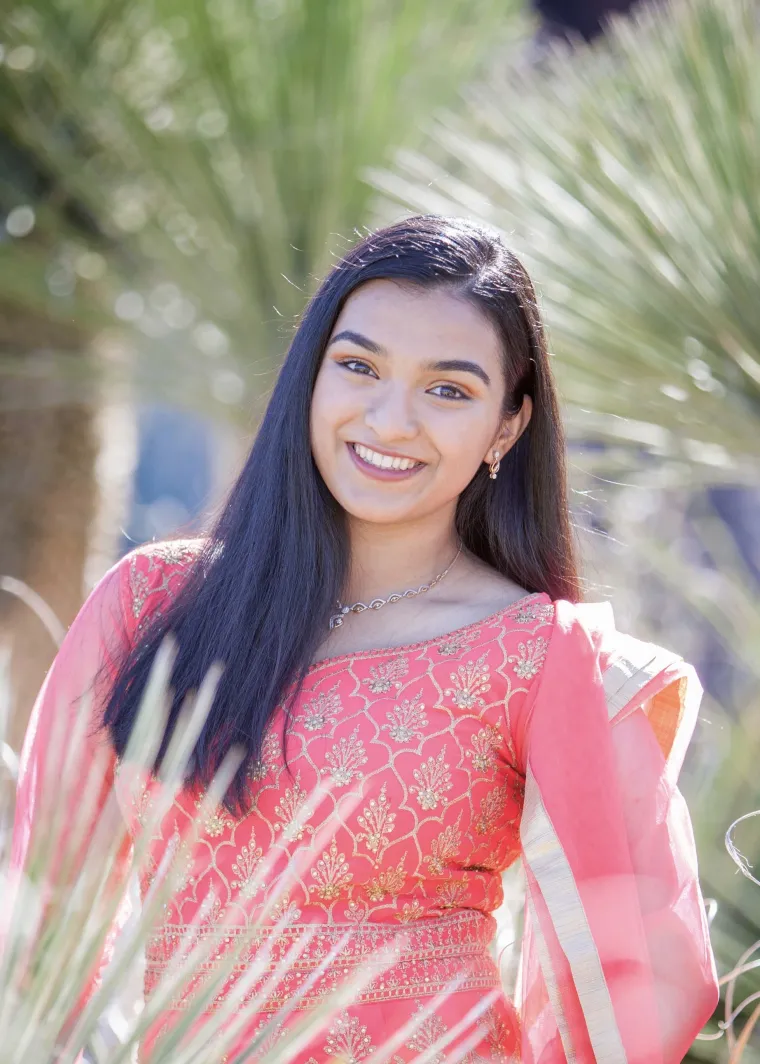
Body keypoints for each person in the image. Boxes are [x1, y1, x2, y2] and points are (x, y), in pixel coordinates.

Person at [10, 215, 718, 1062]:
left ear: (507, 426)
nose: (390, 420)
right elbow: (39, 908)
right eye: (359, 367)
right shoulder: (155, 604)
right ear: (310, 377)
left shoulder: (538, 657)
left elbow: (648, 979)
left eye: (448, 389)